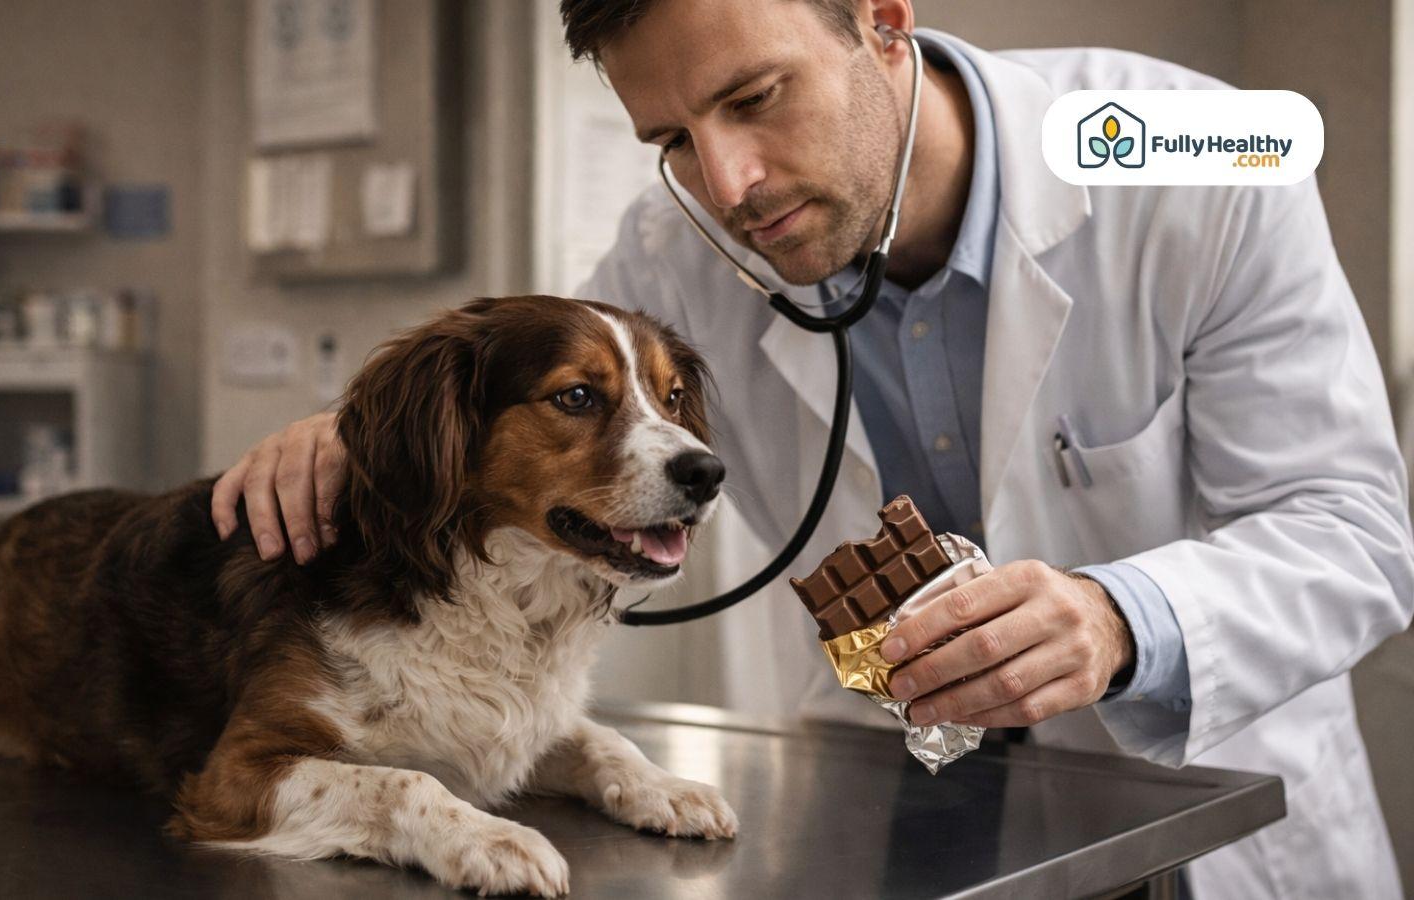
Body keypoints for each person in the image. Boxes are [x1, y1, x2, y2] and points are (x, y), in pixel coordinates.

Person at [211, 0, 1414, 895]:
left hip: (1190, 810)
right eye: (671, 136)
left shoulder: (1199, 148)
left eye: (753, 98)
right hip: (888, 799)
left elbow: (1356, 533)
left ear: (883, 22)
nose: (726, 183)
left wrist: (1118, 617)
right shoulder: (680, 236)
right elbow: (534, 400)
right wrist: (353, 435)